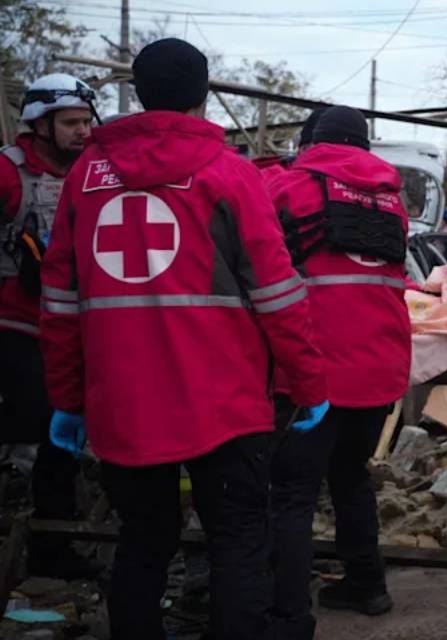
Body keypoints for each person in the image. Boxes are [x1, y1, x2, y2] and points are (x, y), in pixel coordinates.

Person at [39, 38, 329, 639]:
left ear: (137, 93)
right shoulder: (230, 174)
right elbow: (278, 294)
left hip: (123, 403)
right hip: (225, 404)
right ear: (203, 94)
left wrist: (68, 400)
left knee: (142, 543)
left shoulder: (84, 180)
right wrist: (307, 382)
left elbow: (61, 304)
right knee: (238, 541)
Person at [266, 105, 410, 630]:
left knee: (292, 494)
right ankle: (367, 586)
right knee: (351, 478)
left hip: (315, 371)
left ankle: (287, 612)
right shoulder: (392, 200)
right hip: (381, 367)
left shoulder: (288, 187)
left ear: (312, 141)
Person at [0, 73, 98, 578]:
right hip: (14, 323)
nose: (83, 131)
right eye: (71, 122)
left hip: (72, 324)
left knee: (64, 432)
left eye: (86, 121)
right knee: (37, 421)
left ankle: (53, 547)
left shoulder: (94, 173)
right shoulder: (8, 173)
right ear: (39, 125)